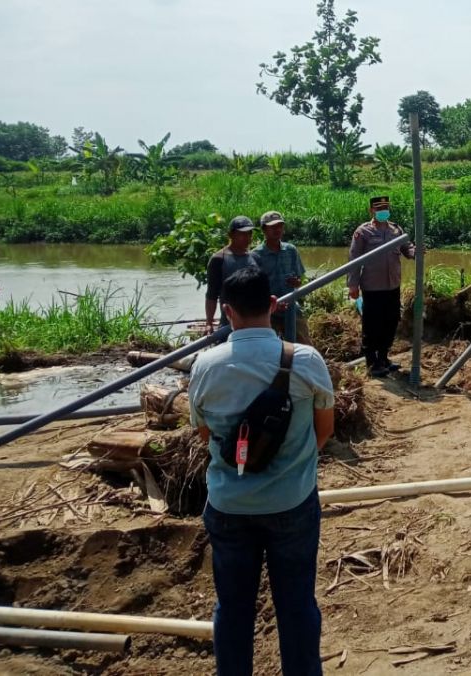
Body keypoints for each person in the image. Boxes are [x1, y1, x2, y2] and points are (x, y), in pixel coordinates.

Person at [188, 266, 334, 674]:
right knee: (297, 605)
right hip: (292, 504)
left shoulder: (204, 366)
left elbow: (204, 435)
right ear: (273, 305)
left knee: (232, 609)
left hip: (229, 506)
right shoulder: (305, 360)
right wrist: (288, 465)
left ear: (228, 312)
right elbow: (325, 431)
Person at [347, 196, 416, 378]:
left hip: (392, 285)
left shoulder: (395, 229)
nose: (383, 211)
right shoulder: (363, 232)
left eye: (386, 207)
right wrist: (352, 285)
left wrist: (414, 252)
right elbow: (354, 260)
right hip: (372, 287)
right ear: (372, 211)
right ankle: (372, 363)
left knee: (391, 321)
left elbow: (406, 248)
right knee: (372, 326)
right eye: (379, 208)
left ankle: (384, 358)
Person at [254, 210, 310, 344]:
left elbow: (299, 278)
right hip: (267, 310)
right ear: (264, 229)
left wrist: (297, 282)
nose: (277, 229)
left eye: (280, 226)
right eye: (273, 227)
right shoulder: (256, 255)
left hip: (290, 307)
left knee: (304, 345)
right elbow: (253, 288)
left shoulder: (290, 250)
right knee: (267, 348)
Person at [204, 215, 261, 335]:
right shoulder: (219, 259)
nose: (247, 238)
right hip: (230, 323)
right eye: (242, 234)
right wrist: (209, 323)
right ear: (231, 235)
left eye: (249, 234)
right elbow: (211, 295)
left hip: (256, 322)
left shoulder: (254, 258)